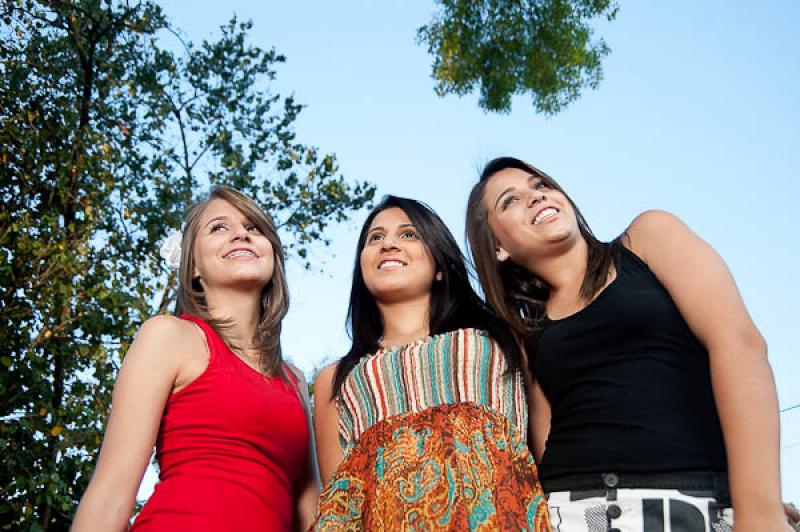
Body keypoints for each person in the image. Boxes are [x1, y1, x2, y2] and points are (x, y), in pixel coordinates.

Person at [465, 156, 787, 531]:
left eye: (541, 186)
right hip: (570, 512)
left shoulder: (648, 238)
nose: (536, 197)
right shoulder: (525, 332)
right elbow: (545, 438)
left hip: (690, 501)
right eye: (510, 200)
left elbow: (739, 344)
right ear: (497, 248)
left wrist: (760, 509)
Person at [73, 187, 318, 531]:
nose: (240, 234)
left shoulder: (294, 380)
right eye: (219, 227)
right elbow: (110, 494)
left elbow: (312, 517)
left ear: (273, 257)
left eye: (255, 228)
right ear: (193, 269)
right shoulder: (169, 337)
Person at [312, 196, 549, 530]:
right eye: (375, 238)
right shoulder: (339, 379)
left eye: (408, 234)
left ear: (440, 265)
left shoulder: (502, 341)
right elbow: (338, 510)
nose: (388, 244)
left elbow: (548, 454)